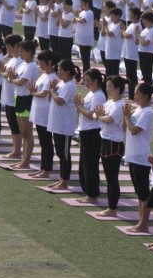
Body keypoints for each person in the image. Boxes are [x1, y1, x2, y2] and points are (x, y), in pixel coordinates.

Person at [124, 83, 153, 233]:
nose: (135, 97)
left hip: (141, 157)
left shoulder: (147, 112)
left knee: (144, 193)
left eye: (138, 94)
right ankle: (141, 222)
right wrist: (127, 118)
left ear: (146, 96)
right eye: (135, 93)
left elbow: (135, 130)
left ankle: (144, 224)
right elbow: (127, 129)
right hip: (133, 156)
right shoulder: (139, 110)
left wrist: (127, 118)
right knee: (139, 193)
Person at [94, 75, 127, 217]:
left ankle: (112, 208)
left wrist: (100, 116)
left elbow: (108, 119)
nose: (107, 89)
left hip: (114, 143)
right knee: (108, 177)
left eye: (110, 87)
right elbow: (96, 115)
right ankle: (110, 207)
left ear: (118, 89)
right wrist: (99, 115)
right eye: (107, 87)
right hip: (105, 140)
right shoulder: (109, 102)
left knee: (112, 178)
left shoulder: (120, 105)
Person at [73, 68, 106, 203]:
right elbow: (83, 111)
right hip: (85, 131)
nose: (85, 83)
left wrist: (79, 106)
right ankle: (88, 192)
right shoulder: (91, 94)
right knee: (84, 164)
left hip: (93, 132)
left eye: (87, 81)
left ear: (96, 81)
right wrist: (79, 106)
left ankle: (92, 195)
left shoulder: (99, 95)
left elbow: (92, 116)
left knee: (90, 164)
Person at [47, 59, 79, 190]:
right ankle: (61, 179)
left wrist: (52, 91)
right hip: (57, 124)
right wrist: (53, 91)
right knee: (60, 153)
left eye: (60, 70)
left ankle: (64, 180)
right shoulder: (61, 84)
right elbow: (52, 99)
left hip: (65, 126)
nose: (58, 72)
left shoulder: (70, 85)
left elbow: (60, 101)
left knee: (65, 154)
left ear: (67, 72)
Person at [27, 50, 58, 179]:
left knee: (46, 142)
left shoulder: (52, 77)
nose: (40, 65)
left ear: (50, 62)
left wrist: (33, 93)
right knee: (42, 142)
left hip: (45, 114)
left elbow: (45, 94)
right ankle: (42, 168)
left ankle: (46, 169)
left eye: (42, 63)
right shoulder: (44, 75)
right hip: (39, 113)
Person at [10, 40, 38, 169]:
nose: (20, 53)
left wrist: (12, 78)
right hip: (18, 98)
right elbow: (15, 78)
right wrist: (12, 77)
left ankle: (26, 161)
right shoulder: (23, 65)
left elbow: (21, 82)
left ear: (30, 52)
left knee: (27, 132)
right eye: (19, 50)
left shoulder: (32, 66)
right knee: (22, 132)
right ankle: (23, 160)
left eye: (22, 51)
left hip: (27, 99)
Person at [120, 7, 141, 100]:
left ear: (136, 15)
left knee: (132, 75)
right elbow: (124, 36)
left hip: (132, 53)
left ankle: (133, 94)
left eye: (131, 14)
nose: (129, 15)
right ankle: (131, 94)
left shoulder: (137, 25)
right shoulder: (132, 25)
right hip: (127, 52)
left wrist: (122, 29)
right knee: (129, 74)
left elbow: (127, 36)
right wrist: (123, 31)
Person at [74, 0, 94, 74]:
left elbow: (82, 20)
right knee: (83, 59)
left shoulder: (89, 12)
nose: (80, 4)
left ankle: (86, 75)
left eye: (81, 2)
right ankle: (85, 75)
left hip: (86, 39)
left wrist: (75, 16)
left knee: (86, 60)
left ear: (87, 3)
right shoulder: (82, 12)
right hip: (81, 38)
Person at [137, 11, 153, 85]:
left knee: (147, 74)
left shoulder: (152, 31)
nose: (143, 21)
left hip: (147, 54)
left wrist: (139, 36)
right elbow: (138, 42)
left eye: (144, 19)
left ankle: (149, 90)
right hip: (142, 53)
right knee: (144, 73)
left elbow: (146, 43)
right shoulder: (145, 30)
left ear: (149, 20)